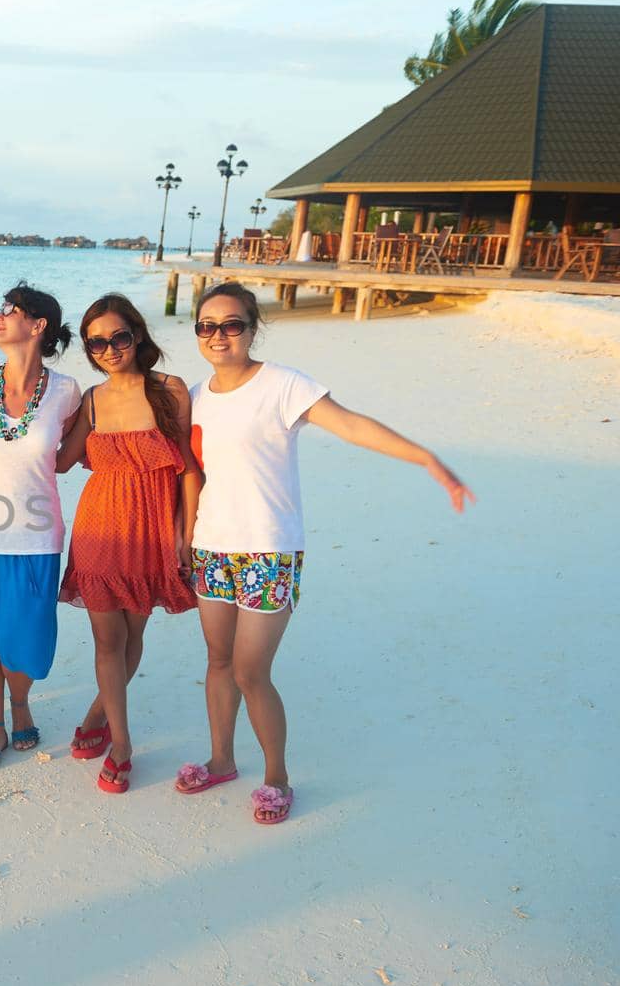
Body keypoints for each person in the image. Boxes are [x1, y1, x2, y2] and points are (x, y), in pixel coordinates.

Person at [177, 282, 474, 823]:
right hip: (211, 547)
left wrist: (426, 459)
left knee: (250, 671)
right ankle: (221, 759)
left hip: (269, 550)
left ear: (252, 327)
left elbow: (352, 424)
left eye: (232, 324)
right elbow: (187, 474)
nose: (218, 336)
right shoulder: (194, 397)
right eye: (206, 326)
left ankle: (277, 778)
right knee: (218, 662)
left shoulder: (282, 385)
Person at [56, 294, 200, 792]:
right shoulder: (92, 400)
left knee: (134, 636)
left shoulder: (170, 390)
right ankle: (122, 745)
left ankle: (97, 714)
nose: (110, 349)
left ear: (137, 335)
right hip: (98, 527)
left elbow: (189, 469)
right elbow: (58, 460)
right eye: (97, 342)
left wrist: (187, 531)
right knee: (106, 640)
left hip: (153, 527)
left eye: (119, 337)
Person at [0, 283, 81, 772]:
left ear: (38, 325)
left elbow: (70, 459)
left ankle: (21, 704)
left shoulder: (67, 392)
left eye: (10, 310)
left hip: (35, 535)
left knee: (25, 639)